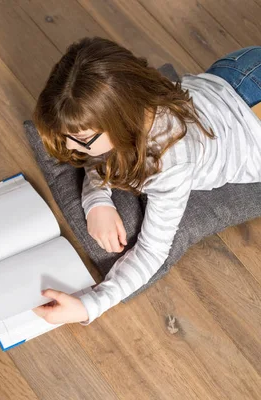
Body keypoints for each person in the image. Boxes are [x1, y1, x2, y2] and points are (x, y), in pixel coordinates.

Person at [30, 37, 261, 326]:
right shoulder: (138, 96)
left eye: (83, 141)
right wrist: (97, 200)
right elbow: (101, 156)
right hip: (240, 70)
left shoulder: (170, 164)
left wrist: (90, 305)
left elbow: (152, 251)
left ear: (120, 122)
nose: (72, 149)